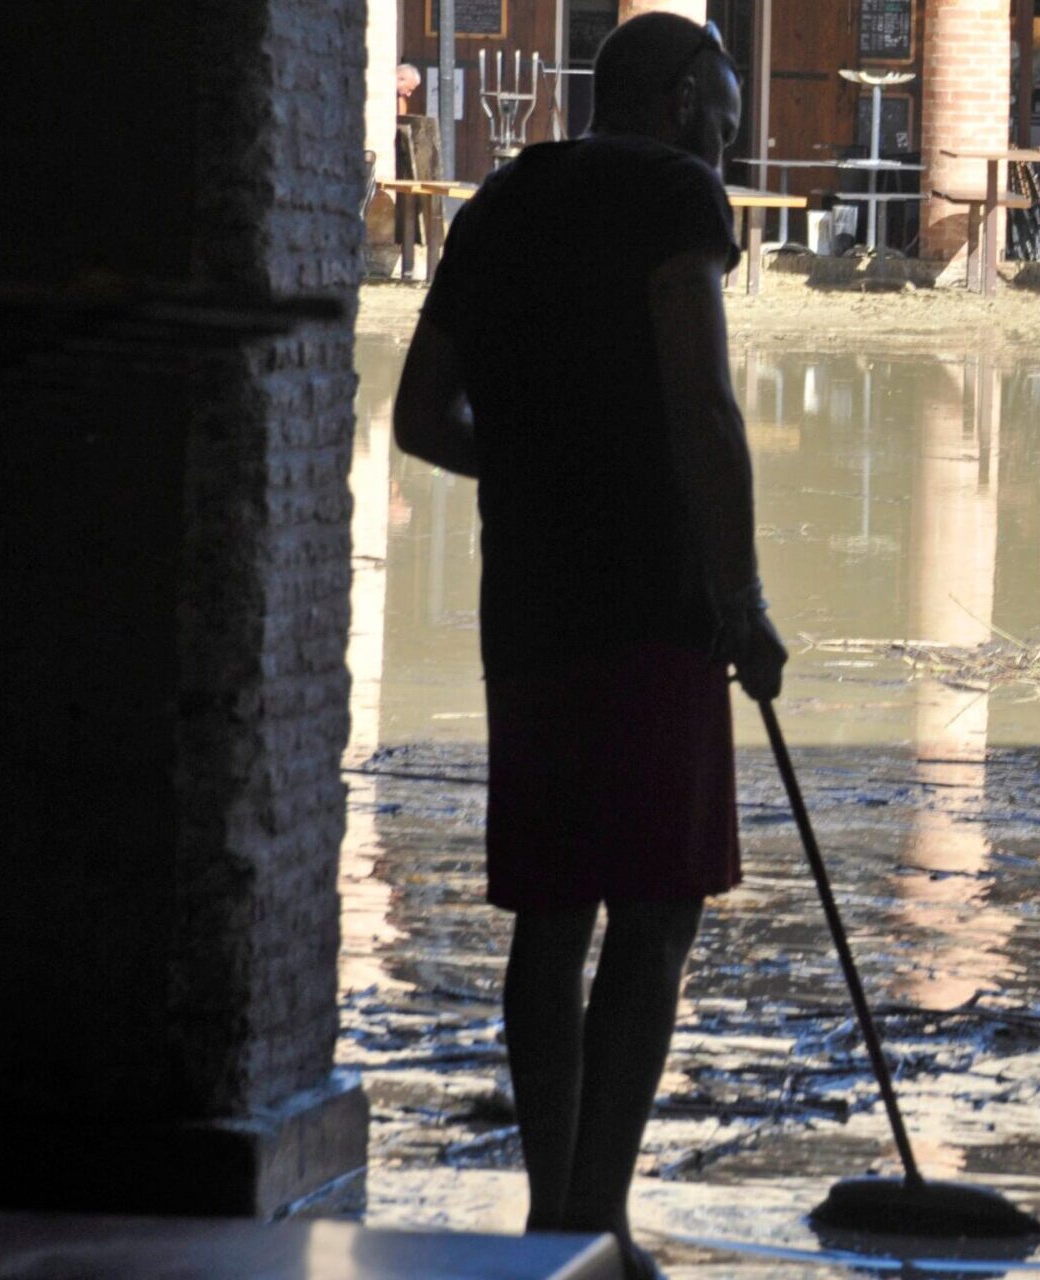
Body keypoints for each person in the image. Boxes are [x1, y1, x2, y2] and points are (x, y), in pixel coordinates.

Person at [391, 14, 782, 1278]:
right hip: (654, 604)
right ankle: (597, 1217)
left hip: (530, 606)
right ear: (674, 103)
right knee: (658, 907)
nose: (732, 136)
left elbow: (416, 414)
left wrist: (542, 467)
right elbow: (701, 399)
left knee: (551, 907)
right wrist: (743, 595)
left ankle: (548, 1210)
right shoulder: (676, 196)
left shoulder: (502, 201)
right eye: (723, 110)